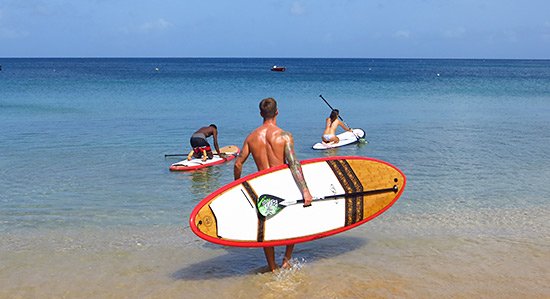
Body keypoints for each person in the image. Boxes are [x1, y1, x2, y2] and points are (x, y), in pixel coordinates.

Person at [234, 97, 313, 272]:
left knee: (266, 226)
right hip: (283, 184)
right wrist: (305, 191)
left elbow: (238, 164)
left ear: (261, 113)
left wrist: (237, 187)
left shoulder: (251, 137)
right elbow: (293, 164)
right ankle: (286, 260)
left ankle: (272, 267)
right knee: (292, 224)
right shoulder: (285, 136)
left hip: (263, 187)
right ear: (277, 112)